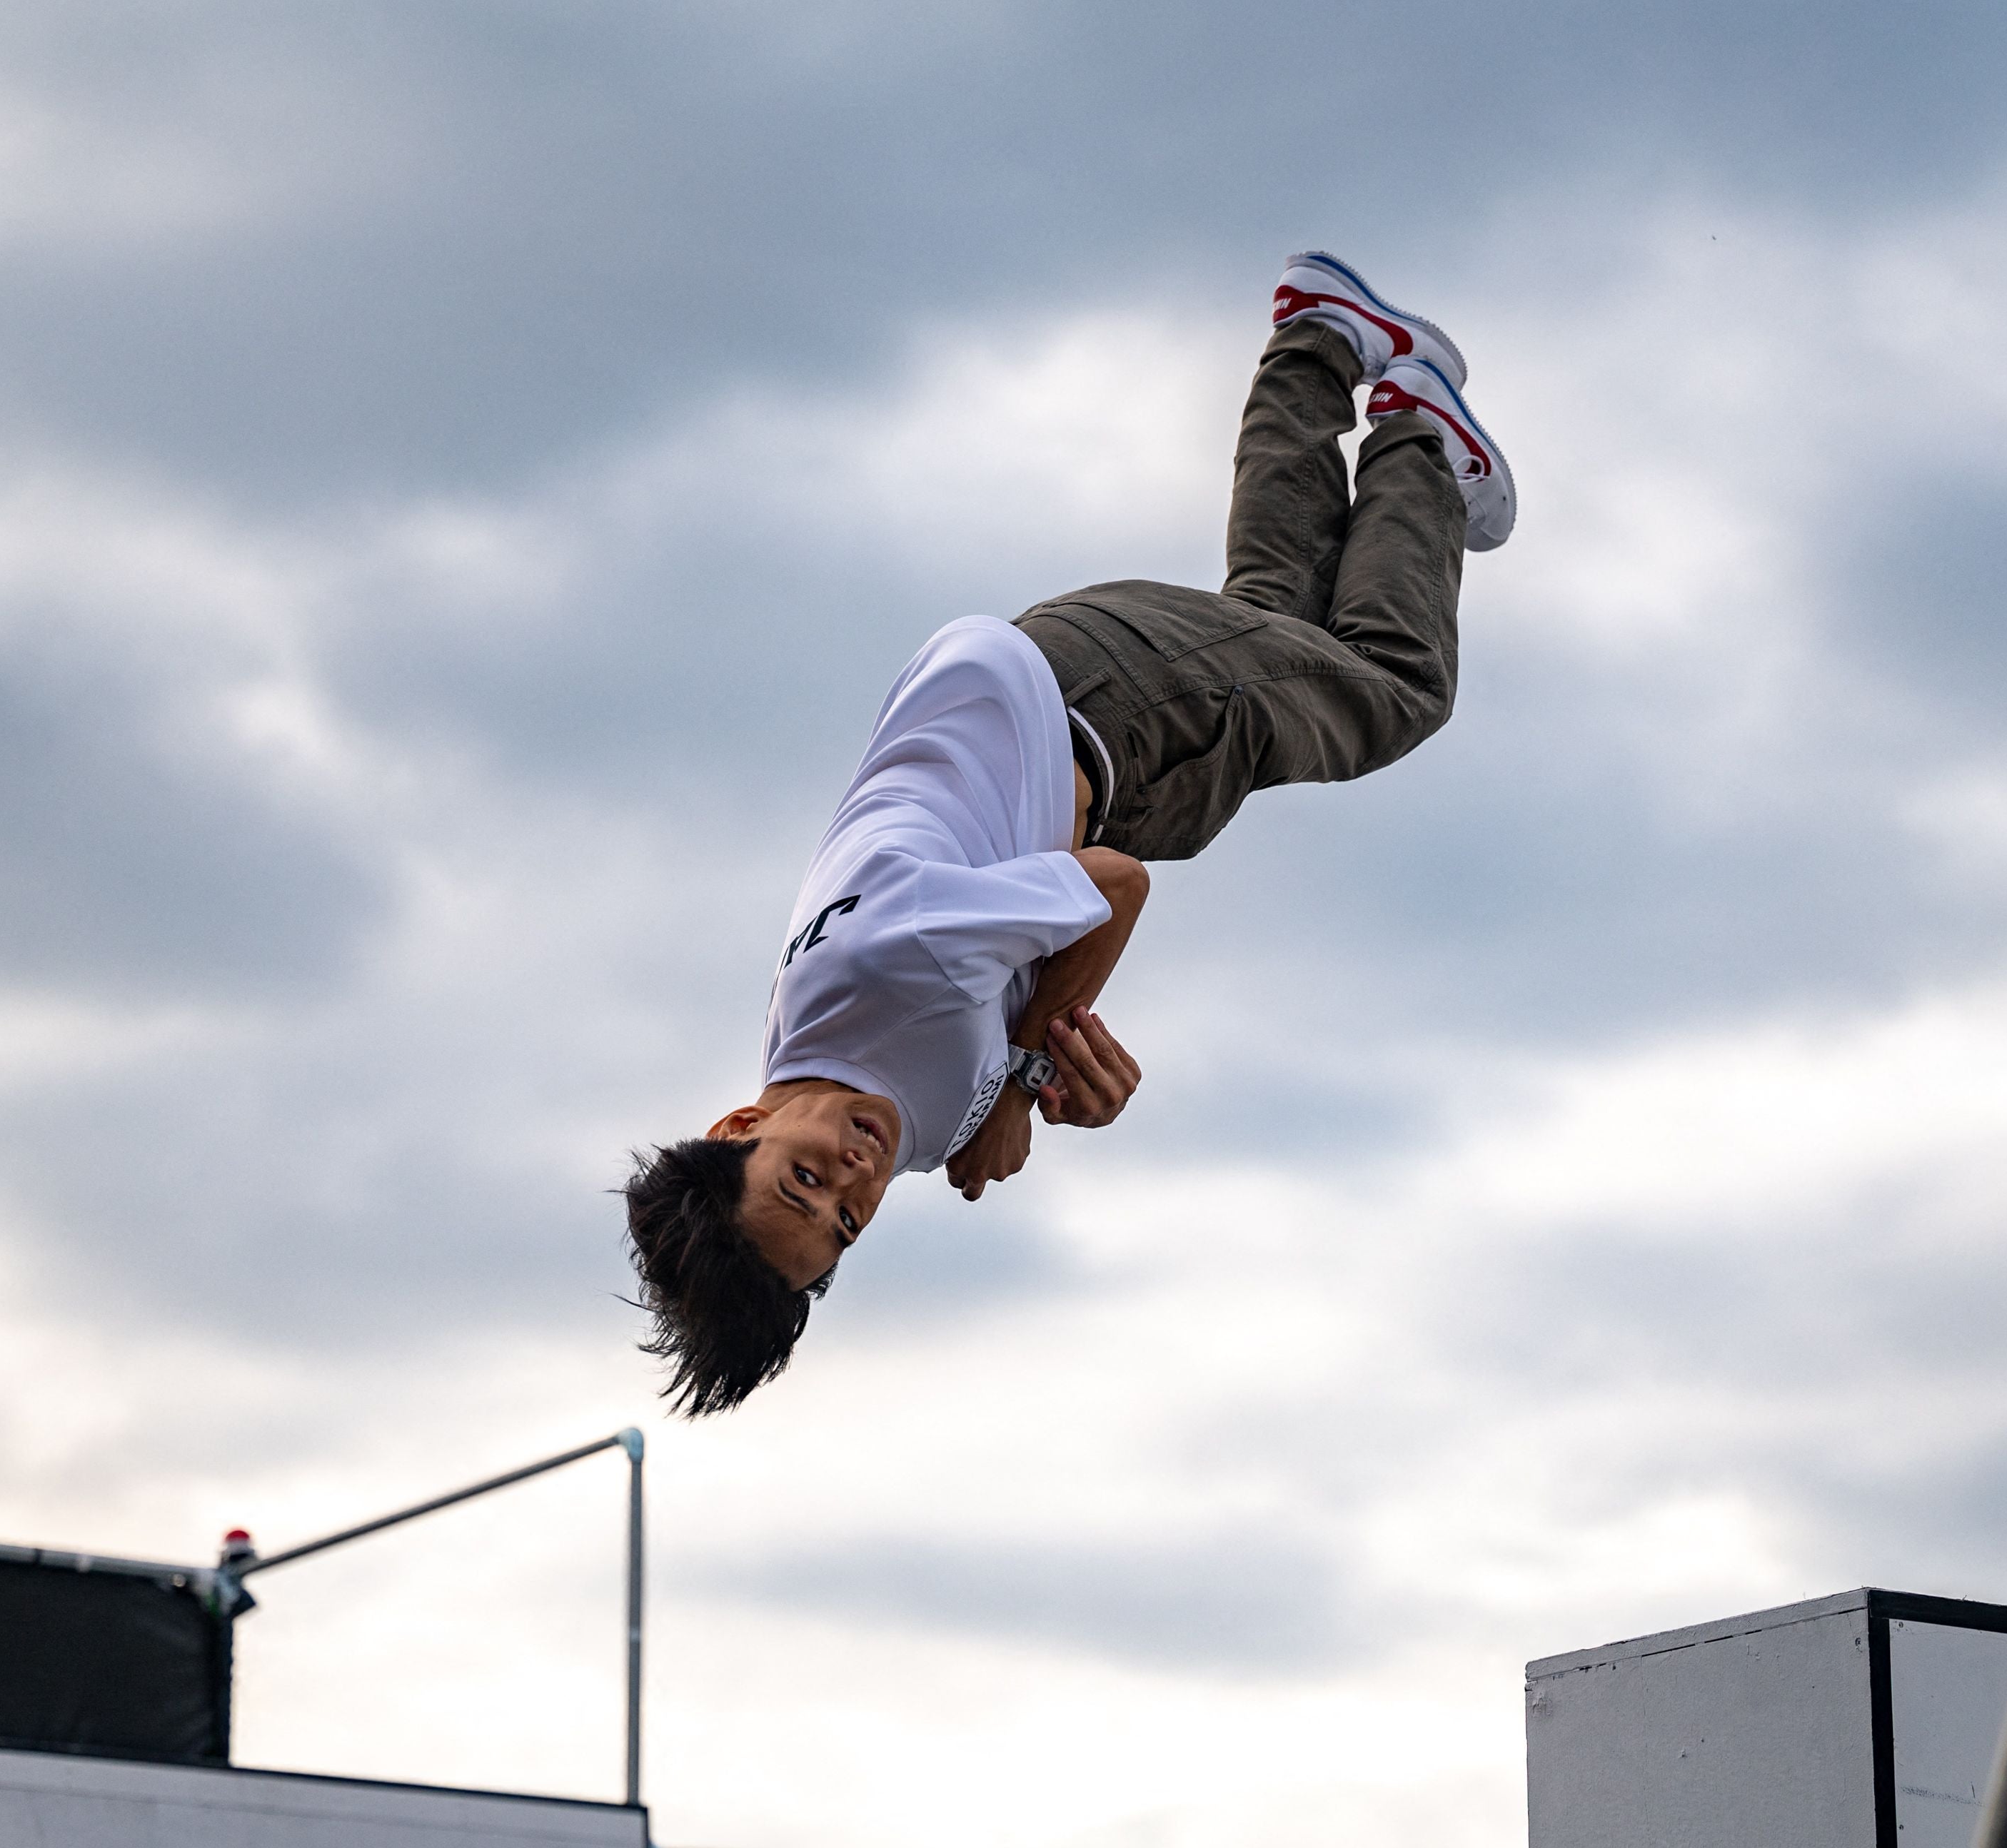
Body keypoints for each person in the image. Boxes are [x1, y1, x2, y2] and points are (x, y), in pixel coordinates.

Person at [625, 251, 1515, 1415]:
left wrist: (1022, 1080)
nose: (850, 1178)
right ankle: (1320, 341)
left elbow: (1112, 885)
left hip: (1098, 708)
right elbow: (1033, 976)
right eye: (844, 1222)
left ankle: (1420, 436)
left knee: (1389, 690)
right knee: (1274, 613)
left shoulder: (878, 964)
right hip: (1099, 745)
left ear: (738, 1123)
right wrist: (1059, 1076)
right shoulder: (892, 1125)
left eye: (802, 1180)